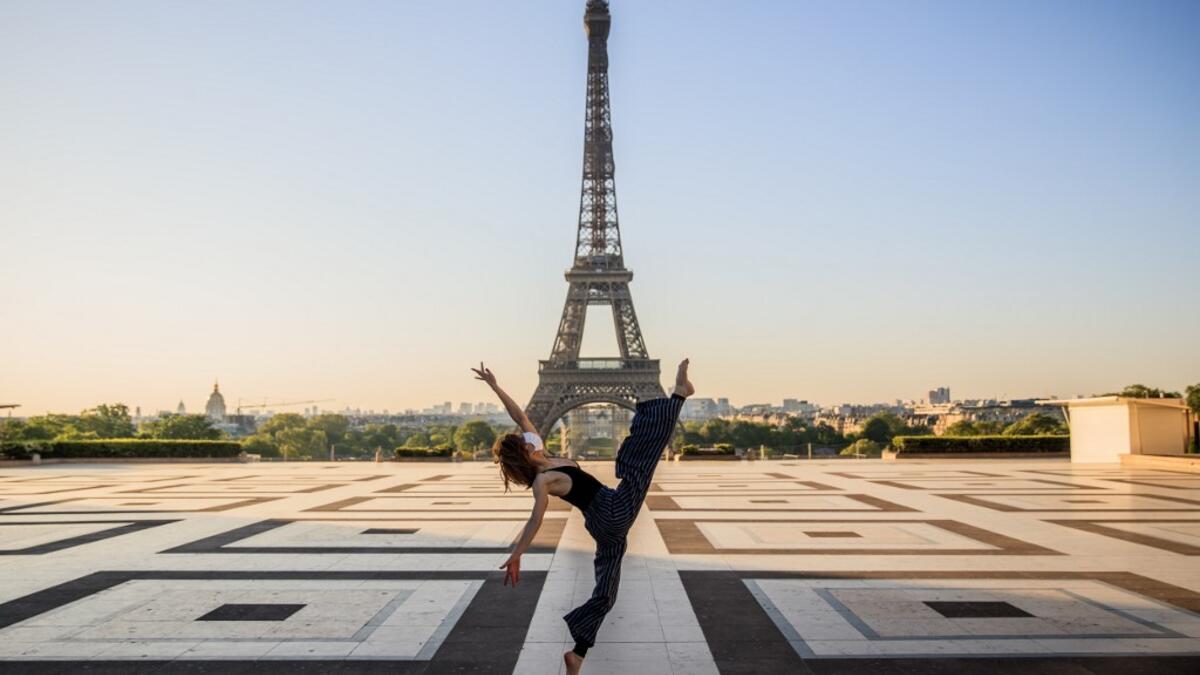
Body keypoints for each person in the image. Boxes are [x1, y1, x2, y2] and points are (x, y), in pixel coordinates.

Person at [472, 359, 694, 675]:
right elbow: (535, 520)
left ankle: (577, 654)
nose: (526, 436)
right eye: (522, 440)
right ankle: (679, 397)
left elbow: (519, 414)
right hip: (609, 513)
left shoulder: (541, 452)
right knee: (637, 464)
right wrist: (517, 554)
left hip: (604, 519)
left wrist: (494, 386)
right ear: (521, 453)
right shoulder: (542, 480)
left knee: (606, 591)